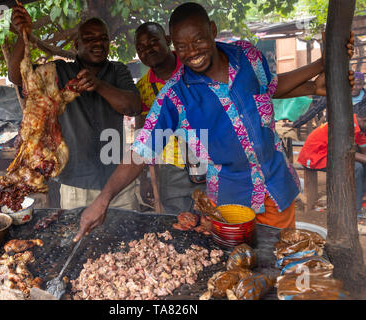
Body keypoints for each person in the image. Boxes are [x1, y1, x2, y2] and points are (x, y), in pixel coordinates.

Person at [72, 2, 353, 242]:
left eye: (198, 41)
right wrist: (103, 198)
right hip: (232, 200)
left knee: (281, 265)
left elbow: (268, 87)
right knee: (240, 270)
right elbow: (142, 150)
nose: (191, 52)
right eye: (182, 47)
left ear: (213, 31)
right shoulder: (175, 96)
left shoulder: (247, 57)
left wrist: (318, 74)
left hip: (275, 185)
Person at [8, 4, 142, 210]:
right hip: (76, 186)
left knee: (126, 239)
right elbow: (17, 76)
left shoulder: (118, 70)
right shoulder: (59, 72)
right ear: (76, 43)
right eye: (90, 38)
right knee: (79, 240)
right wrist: (23, 35)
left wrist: (98, 85)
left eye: (103, 38)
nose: (98, 43)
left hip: (119, 183)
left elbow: (132, 107)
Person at [134, 22, 206, 213]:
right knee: (178, 224)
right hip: (170, 168)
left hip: (209, 159)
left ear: (167, 40)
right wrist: (145, 178)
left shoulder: (194, 68)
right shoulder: (142, 88)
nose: (147, 50)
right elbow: (142, 134)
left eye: (153, 42)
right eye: (140, 48)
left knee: (213, 221)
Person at [298, 99, 366, 216]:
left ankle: (360, 196)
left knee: (361, 165)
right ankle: (356, 210)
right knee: (357, 167)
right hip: (314, 156)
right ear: (364, 120)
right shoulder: (347, 125)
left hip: (329, 153)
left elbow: (362, 148)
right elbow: (347, 152)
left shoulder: (359, 126)